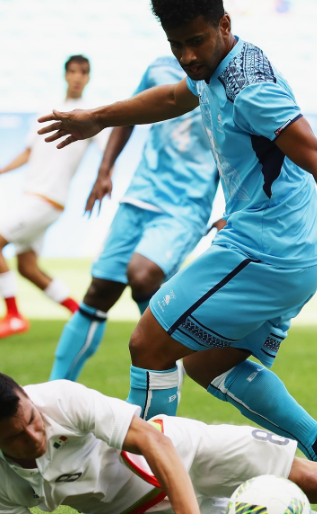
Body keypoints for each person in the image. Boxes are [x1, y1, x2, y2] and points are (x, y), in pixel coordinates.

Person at [39, 0, 317, 479]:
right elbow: (174, 98)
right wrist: (100, 117)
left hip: (268, 250)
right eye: (177, 45)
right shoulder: (215, 65)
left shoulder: (249, 89)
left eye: (195, 42)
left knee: (149, 345)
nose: (187, 56)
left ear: (224, 25)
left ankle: (149, 483)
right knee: (205, 363)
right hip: (297, 248)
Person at [0, 369, 317, 514]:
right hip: (137, 509)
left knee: (316, 479)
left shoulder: (61, 399)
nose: (35, 434)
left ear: (28, 399)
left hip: (181, 449)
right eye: (17, 436)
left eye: (32, 419)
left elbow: (152, 443)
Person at [49, 55, 220, 382]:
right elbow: (127, 116)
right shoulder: (158, 69)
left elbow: (239, 149)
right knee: (99, 291)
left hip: (185, 206)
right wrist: (104, 171)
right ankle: (55, 390)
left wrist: (230, 211)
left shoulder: (225, 79)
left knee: (142, 274)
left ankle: (166, 366)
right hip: (139, 195)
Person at [0, 55, 102, 341]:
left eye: (83, 72)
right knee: (27, 267)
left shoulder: (90, 115)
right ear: (65, 75)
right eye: (73, 71)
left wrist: (102, 178)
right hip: (35, 196)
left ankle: (13, 316)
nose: (78, 77)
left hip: (46, 199)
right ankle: (80, 315)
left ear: (88, 77)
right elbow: (28, 151)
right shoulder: (49, 109)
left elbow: (108, 149)